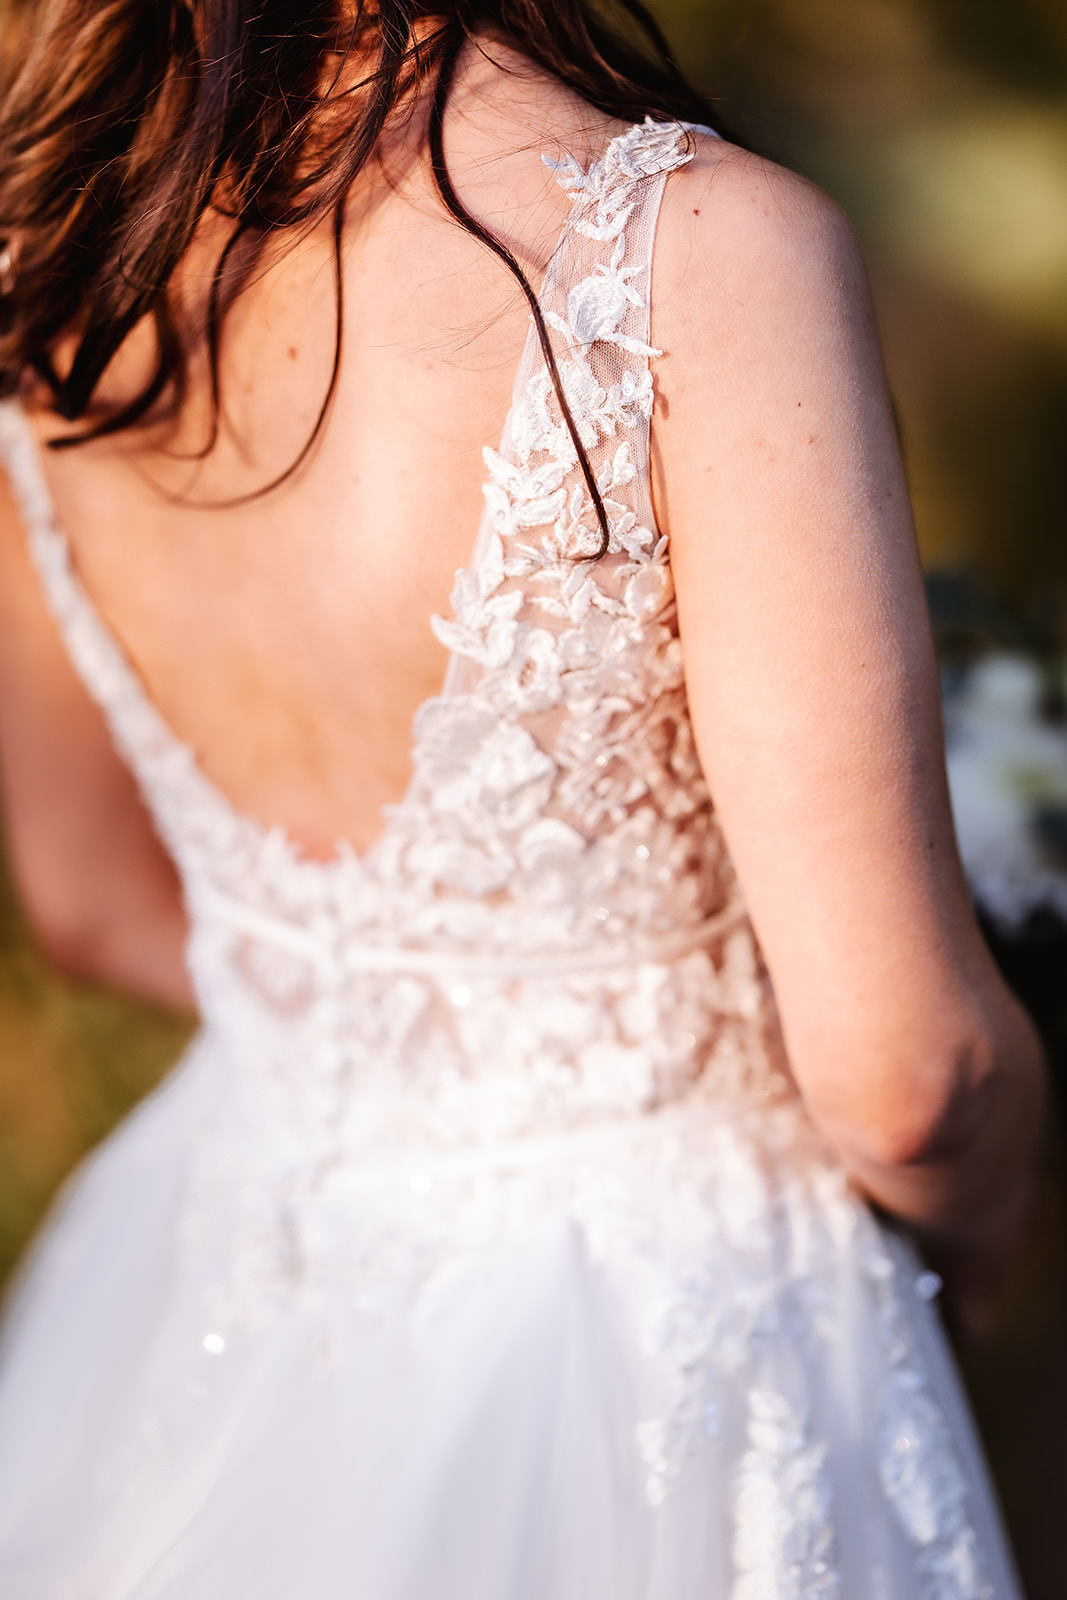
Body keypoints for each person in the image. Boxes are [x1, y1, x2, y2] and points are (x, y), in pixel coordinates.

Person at [0, 3, 1046, 1595]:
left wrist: (400, 1046)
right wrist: (995, 1230)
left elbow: (86, 900)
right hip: (668, 1348)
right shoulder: (700, 252)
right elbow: (906, 1078)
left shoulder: (53, 267)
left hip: (236, 1280)